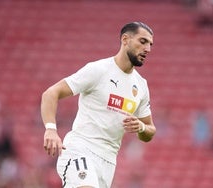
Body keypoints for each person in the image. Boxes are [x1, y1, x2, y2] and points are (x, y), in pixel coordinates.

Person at [41, 21, 156, 188]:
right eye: (143, 41)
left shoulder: (141, 85)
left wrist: (141, 127)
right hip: (80, 149)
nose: (148, 49)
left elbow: (150, 130)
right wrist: (50, 129)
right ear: (125, 40)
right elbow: (51, 93)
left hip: (108, 162)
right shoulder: (98, 70)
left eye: (151, 45)